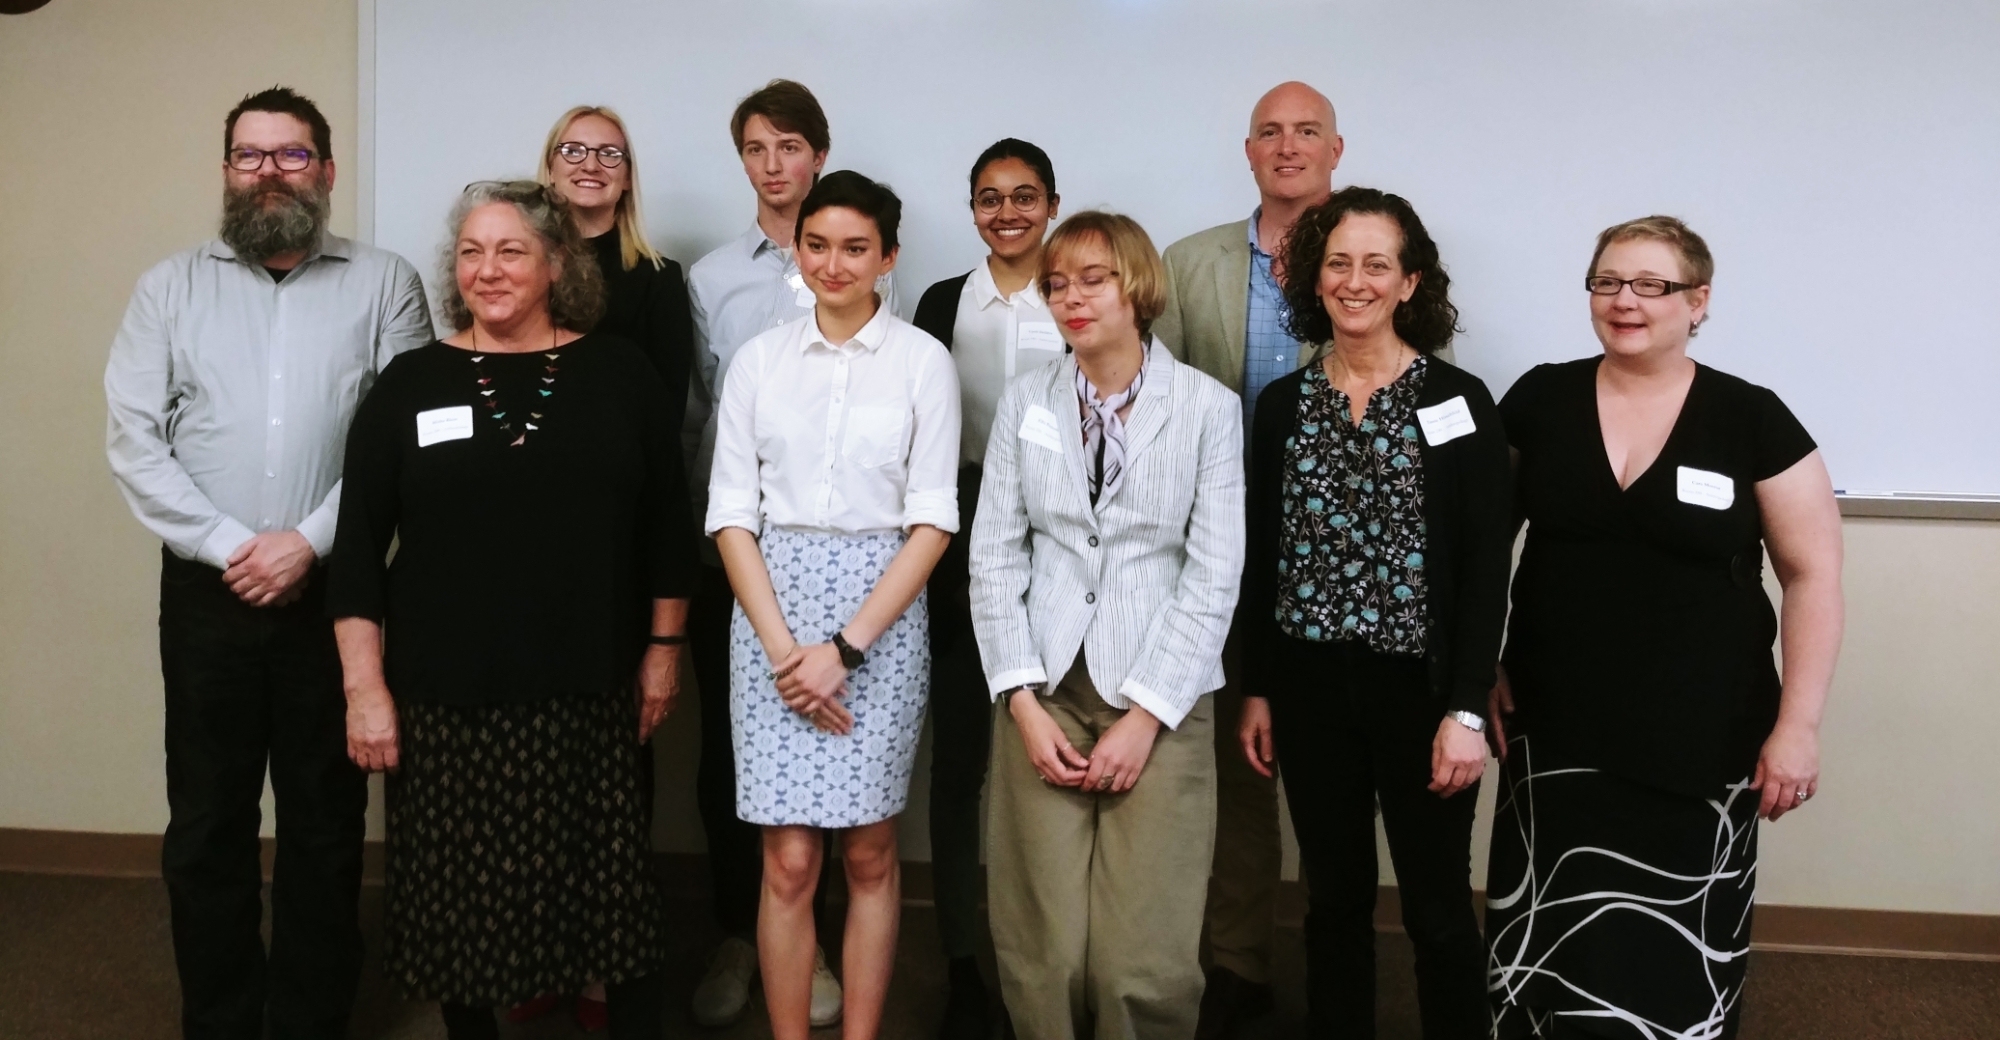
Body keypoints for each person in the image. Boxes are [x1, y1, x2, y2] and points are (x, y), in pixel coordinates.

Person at [325, 181, 692, 1040]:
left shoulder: (618, 373)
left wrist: (665, 646)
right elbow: (356, 550)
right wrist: (363, 689)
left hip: (588, 687)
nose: (488, 271)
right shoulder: (411, 384)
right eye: (471, 253)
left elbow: (667, 531)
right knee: (459, 910)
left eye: (511, 251)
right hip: (446, 697)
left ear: (555, 264)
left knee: (609, 902)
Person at [103, 86, 431, 1040]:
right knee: (207, 824)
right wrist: (228, 548)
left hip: (338, 595)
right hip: (207, 594)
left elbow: (396, 442)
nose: (269, 172)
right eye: (250, 156)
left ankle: (309, 1018)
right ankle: (220, 1017)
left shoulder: (385, 283)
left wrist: (309, 542)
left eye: (291, 156)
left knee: (326, 828)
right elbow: (133, 440)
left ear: (326, 171)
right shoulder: (169, 288)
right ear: (226, 171)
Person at [1484, 217, 1843, 1040]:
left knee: (1676, 955)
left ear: (1699, 300)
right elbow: (1480, 547)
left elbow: (1813, 575)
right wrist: (1481, 666)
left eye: (1652, 284)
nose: (1625, 301)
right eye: (1607, 282)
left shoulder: (1751, 417)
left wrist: (1799, 727)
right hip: (1556, 727)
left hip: (1701, 733)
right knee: (1550, 942)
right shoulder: (1540, 398)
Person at [1237, 187, 1511, 1038]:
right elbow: (1263, 557)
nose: (1355, 281)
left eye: (1376, 265)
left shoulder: (1459, 402)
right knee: (1333, 902)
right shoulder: (1283, 408)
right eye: (1338, 263)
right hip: (1312, 690)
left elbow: (1483, 571)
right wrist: (1258, 689)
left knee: (1435, 909)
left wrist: (1467, 707)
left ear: (1409, 283)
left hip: (1422, 696)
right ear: (1315, 281)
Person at [970, 211, 1244, 1040]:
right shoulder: (1026, 402)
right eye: (1057, 285)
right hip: (1043, 688)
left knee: (1141, 957)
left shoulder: (1206, 408)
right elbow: (994, 558)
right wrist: (1018, 698)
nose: (1071, 299)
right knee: (1040, 946)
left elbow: (1213, 572)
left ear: (1138, 287)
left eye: (1093, 279)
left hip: (1159, 693)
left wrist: (1147, 715)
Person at [706, 170, 958, 1040]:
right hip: (769, 610)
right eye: (817, 245)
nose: (834, 263)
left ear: (887, 257)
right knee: (787, 860)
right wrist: (785, 650)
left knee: (870, 850)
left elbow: (931, 522)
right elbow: (732, 515)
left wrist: (843, 650)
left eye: (856, 248)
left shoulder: (924, 361)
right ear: (797, 250)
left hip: (879, 616)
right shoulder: (758, 362)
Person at [685, 79, 892, 1028]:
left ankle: (832, 964)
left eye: (792, 146)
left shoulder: (866, 272)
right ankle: (748, 939)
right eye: (758, 148)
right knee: (739, 779)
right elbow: (701, 420)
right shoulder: (711, 278)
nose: (776, 164)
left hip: (864, 570)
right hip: (743, 556)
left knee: (859, 818)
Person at [1150, 80, 1344, 1038]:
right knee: (1241, 766)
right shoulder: (1189, 264)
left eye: (1307, 131)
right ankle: (1239, 961)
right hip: (1221, 550)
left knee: (1336, 763)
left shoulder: (1370, 256)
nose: (1288, 145)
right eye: (1271, 131)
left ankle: (1338, 959)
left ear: (1336, 150)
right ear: (1248, 149)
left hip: (1344, 560)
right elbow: (1162, 414)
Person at [527, 101, 698, 1032]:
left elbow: (661, 423)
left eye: (609, 153)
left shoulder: (656, 281)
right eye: (574, 150)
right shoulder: (520, 264)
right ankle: (543, 950)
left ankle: (604, 965)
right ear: (549, 166)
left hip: (620, 548)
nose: (590, 165)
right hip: (524, 550)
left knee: (614, 765)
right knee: (533, 763)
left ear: (628, 174)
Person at [910, 137, 1062, 1040]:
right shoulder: (941, 303)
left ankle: (1039, 959)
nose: (1006, 212)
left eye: (1024, 196)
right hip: (961, 531)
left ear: (1051, 202)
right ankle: (965, 962)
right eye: (989, 198)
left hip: (1060, 538)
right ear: (971, 208)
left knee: (1042, 745)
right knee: (962, 751)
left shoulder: (1081, 289)